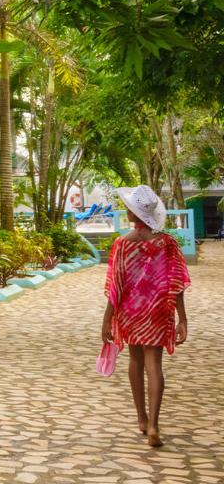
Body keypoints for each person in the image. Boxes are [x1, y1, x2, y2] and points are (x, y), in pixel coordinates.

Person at [101, 185, 190, 448]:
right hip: (158, 310)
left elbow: (115, 286)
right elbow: (176, 282)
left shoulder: (122, 244)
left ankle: (141, 418)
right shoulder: (167, 243)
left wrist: (107, 318)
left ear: (133, 213)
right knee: (154, 364)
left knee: (135, 359)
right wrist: (182, 318)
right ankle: (154, 425)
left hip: (130, 311)